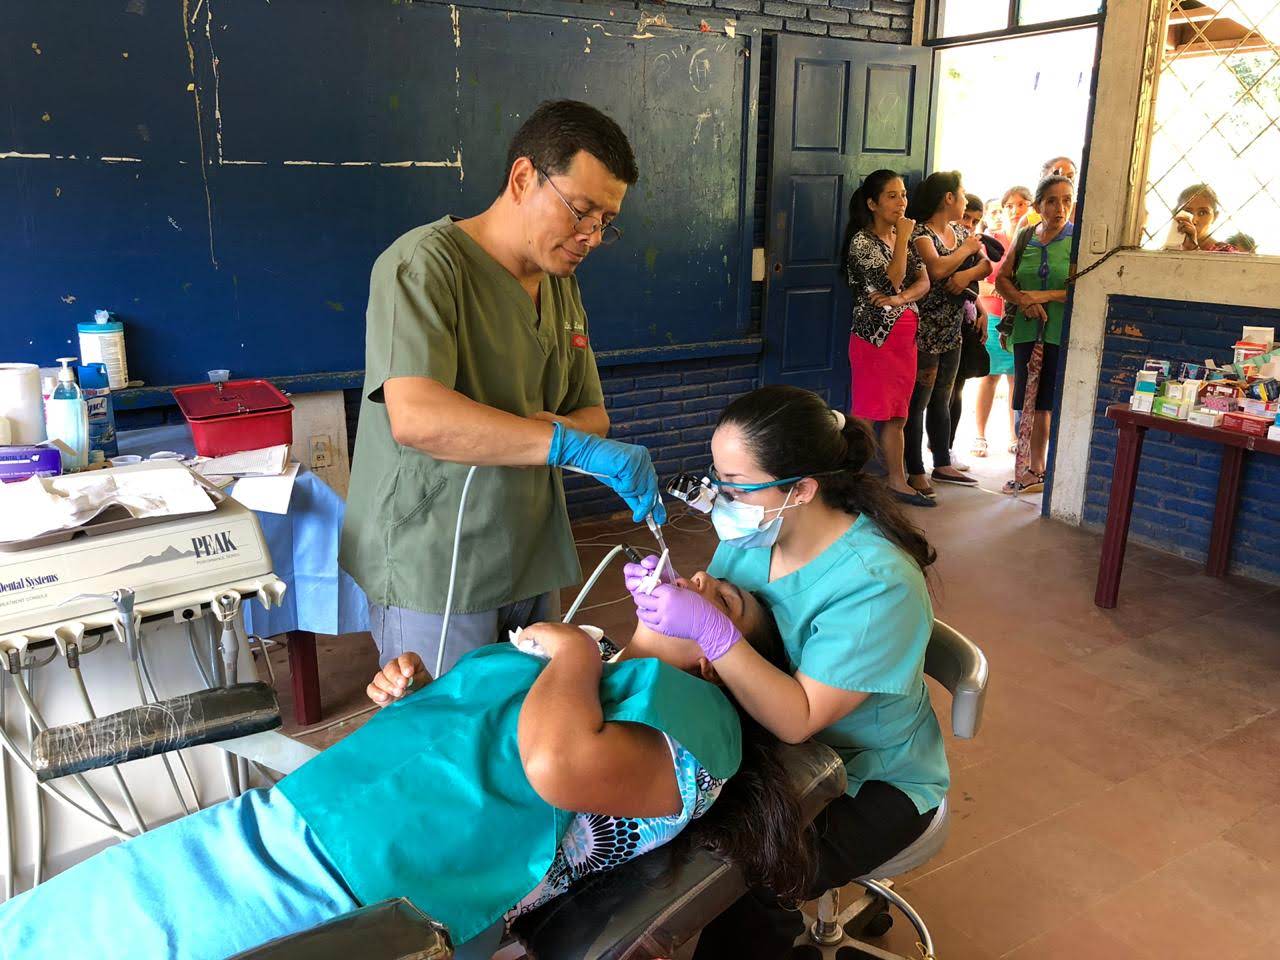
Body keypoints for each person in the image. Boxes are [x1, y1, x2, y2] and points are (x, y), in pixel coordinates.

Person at [1, 597, 809, 960]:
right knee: (53, 923)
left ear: (717, 655)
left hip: (346, 883)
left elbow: (555, 767)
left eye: (723, 602)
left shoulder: (702, 722)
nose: (695, 579)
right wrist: (416, 700)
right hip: (292, 820)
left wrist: (571, 653)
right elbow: (487, 756)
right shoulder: (598, 670)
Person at [341, 100, 666, 676]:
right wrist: (562, 443)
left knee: (531, 729)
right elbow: (417, 417)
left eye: (604, 223)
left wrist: (563, 435)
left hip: (530, 551)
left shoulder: (560, 284)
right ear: (522, 179)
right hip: (439, 560)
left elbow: (593, 415)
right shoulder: (423, 265)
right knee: (451, 741)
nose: (590, 236)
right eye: (580, 211)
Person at [626, 385, 949, 959]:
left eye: (735, 488)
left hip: (868, 777)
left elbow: (798, 719)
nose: (719, 500)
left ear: (801, 489)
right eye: (717, 481)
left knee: (748, 873)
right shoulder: (755, 538)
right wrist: (678, 610)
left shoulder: (876, 584)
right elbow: (738, 641)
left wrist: (713, 631)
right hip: (773, 743)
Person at [842, 169, 932, 508]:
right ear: (873, 204)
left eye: (903, 194)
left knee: (898, 413)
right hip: (873, 340)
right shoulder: (862, 242)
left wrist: (900, 299)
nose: (901, 201)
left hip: (902, 340)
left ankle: (898, 479)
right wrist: (904, 243)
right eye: (892, 195)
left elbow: (922, 282)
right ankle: (847, 479)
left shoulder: (902, 234)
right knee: (866, 412)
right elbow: (891, 279)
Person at [904, 172, 986, 496]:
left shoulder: (957, 231)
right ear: (948, 198)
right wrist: (966, 251)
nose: (965, 199)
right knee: (918, 402)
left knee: (944, 396)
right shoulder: (922, 234)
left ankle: (942, 460)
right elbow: (936, 270)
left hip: (952, 330)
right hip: (924, 330)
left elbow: (986, 266)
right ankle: (914, 469)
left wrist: (964, 273)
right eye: (962, 193)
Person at [995, 175, 1075, 494]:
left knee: (1043, 402)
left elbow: (1077, 288)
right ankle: (1025, 465)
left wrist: (1040, 297)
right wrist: (1023, 301)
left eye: (1067, 200)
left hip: (1056, 332)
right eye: (1053, 201)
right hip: (1027, 330)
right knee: (1024, 398)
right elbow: (1003, 280)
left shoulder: (1076, 239)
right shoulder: (1026, 235)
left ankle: (1037, 469)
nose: (1060, 208)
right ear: (1039, 205)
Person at [971, 187, 1027, 458]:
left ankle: (1015, 436)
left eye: (1022, 204)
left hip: (1019, 318)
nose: (1015, 210)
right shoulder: (991, 242)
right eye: (1009, 205)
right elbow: (979, 283)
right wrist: (995, 289)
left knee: (1016, 378)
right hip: (994, 316)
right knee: (989, 377)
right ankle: (980, 435)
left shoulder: (1030, 241)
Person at [948, 194, 993, 458]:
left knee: (957, 389)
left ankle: (947, 448)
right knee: (936, 393)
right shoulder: (945, 244)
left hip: (966, 322)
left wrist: (982, 309)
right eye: (966, 217)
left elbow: (974, 285)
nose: (969, 225)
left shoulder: (974, 249)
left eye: (976, 221)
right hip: (941, 326)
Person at [1167, 183, 1242, 253]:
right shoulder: (1169, 249)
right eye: (1188, 212)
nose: (1194, 220)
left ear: (1215, 217)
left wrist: (1193, 249)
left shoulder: (1225, 252)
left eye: (1202, 213)